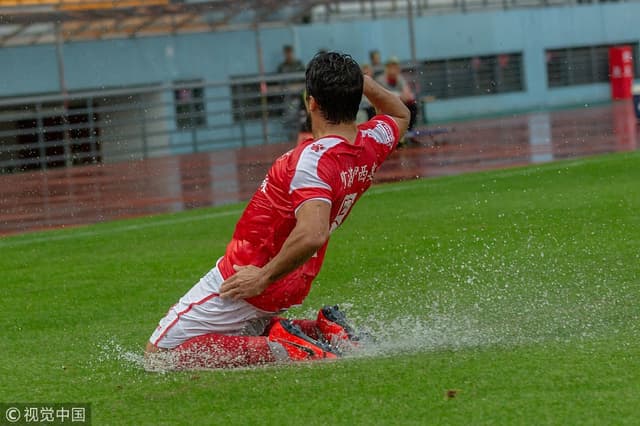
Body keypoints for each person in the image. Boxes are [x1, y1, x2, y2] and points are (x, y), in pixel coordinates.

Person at [145, 52, 410, 371]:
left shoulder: (314, 159)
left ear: (311, 103)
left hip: (253, 271)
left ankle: (286, 347)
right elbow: (400, 113)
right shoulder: (371, 141)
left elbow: (313, 233)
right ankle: (325, 331)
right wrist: (357, 80)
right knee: (243, 330)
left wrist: (262, 277)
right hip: (295, 275)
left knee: (160, 355)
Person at [376, 56, 418, 131]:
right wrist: (397, 96)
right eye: (391, 67)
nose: (393, 70)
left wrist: (398, 97)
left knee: (412, 104)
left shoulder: (400, 79)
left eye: (395, 67)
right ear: (387, 68)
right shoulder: (381, 80)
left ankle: (409, 130)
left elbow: (407, 94)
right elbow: (382, 96)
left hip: (398, 104)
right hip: (385, 107)